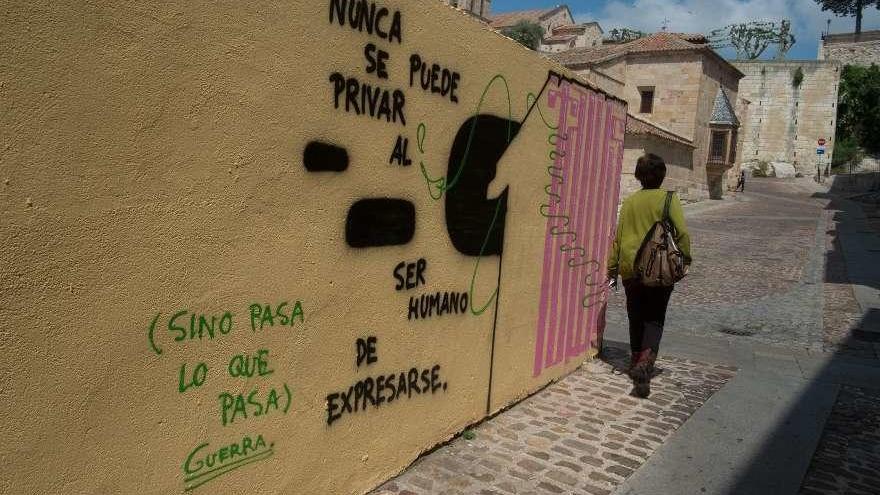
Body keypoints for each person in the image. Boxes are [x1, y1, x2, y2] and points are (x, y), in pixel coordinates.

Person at [607, 154, 691, 398]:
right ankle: (645, 361)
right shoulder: (668, 199)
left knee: (635, 315)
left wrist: (611, 267)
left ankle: (635, 360)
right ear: (662, 175)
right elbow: (682, 233)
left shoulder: (631, 202)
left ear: (638, 176)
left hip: (630, 269)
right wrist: (685, 259)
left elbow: (618, 237)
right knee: (654, 317)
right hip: (658, 269)